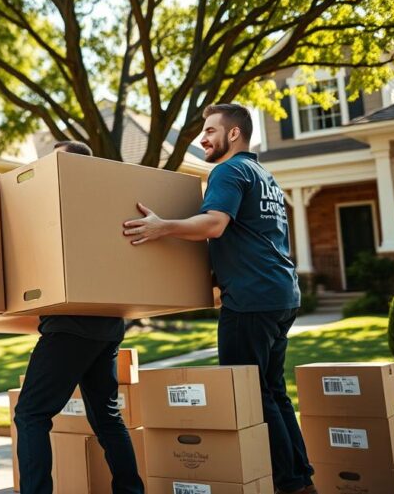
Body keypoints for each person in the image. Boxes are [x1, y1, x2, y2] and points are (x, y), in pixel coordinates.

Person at [122, 103, 315, 494]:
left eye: (210, 130)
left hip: (250, 298)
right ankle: (300, 479)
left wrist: (163, 227)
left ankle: (288, 485)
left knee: (252, 395)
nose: (202, 138)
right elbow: (248, 235)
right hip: (280, 293)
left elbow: (214, 224)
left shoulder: (228, 170)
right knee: (272, 391)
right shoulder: (264, 176)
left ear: (233, 134)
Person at [14, 141, 145, 494]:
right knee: (107, 418)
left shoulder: (61, 208)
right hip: (107, 324)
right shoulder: (107, 206)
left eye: (54, 162)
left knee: (30, 415)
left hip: (71, 327)